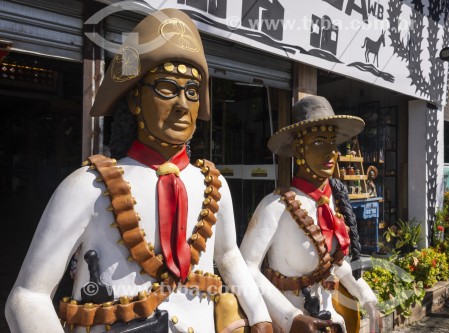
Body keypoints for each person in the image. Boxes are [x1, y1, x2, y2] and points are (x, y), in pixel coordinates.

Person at [5, 8, 272, 333]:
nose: (181, 104)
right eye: (166, 87)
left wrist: (260, 316)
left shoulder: (211, 184)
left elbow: (229, 257)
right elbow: (27, 297)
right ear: (134, 99)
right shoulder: (87, 186)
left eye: (191, 91)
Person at [240, 96, 380, 333]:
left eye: (332, 142)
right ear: (298, 149)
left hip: (332, 322)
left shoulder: (333, 202)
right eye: (318, 143)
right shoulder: (276, 206)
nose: (329, 152)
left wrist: (367, 297)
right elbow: (246, 268)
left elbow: (335, 263)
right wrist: (290, 317)